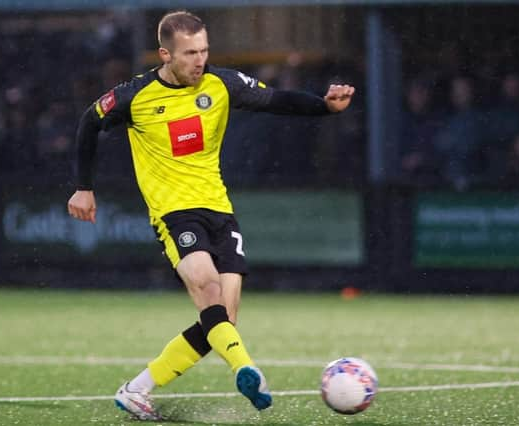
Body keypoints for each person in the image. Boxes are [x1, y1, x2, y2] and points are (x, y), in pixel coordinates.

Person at [67, 10, 354, 421]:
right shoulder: (135, 96)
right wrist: (83, 186)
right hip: (174, 214)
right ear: (165, 54)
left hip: (219, 209)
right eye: (189, 53)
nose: (199, 60)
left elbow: (276, 100)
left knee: (222, 321)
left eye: (203, 50)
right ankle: (247, 370)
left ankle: (137, 389)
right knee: (207, 289)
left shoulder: (222, 83)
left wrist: (324, 107)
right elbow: (88, 123)